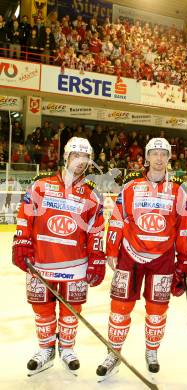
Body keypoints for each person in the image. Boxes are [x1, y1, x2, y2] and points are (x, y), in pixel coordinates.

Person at [96, 137, 187, 381]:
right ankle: (113, 353)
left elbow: (182, 228)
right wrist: (111, 249)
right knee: (120, 308)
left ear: (168, 159)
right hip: (130, 255)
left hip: (162, 259)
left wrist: (184, 260)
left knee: (157, 310)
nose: (159, 158)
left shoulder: (178, 190)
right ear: (146, 158)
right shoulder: (130, 187)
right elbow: (118, 219)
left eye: (163, 154)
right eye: (155, 154)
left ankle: (152, 352)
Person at [12, 137, 106, 376]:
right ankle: (45, 349)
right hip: (41, 262)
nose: (80, 162)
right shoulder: (40, 186)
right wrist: (22, 242)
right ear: (65, 157)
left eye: (85, 158)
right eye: (76, 156)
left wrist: (96, 257)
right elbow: (25, 216)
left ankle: (66, 347)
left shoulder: (92, 196)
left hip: (75, 265)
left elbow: (96, 230)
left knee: (71, 309)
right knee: (42, 309)